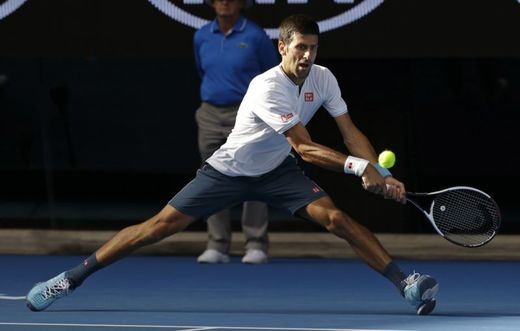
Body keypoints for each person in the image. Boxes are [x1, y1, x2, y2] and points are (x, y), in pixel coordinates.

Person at [26, 14, 439, 315]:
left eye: (313, 48)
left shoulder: (324, 78)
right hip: (229, 170)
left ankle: (406, 284)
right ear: (282, 47)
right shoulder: (267, 87)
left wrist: (380, 173)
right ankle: (70, 279)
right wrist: (358, 168)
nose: (308, 56)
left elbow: (349, 132)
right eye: (300, 48)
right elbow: (306, 149)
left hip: (277, 174)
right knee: (157, 228)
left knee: (338, 220)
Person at [193, 0, 279, 264]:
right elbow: (202, 70)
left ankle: (255, 244)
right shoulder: (201, 36)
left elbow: (273, 76)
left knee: (252, 174)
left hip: (247, 114)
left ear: (242, 3)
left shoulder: (255, 36)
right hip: (209, 114)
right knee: (212, 177)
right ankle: (217, 244)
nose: (225, 3)